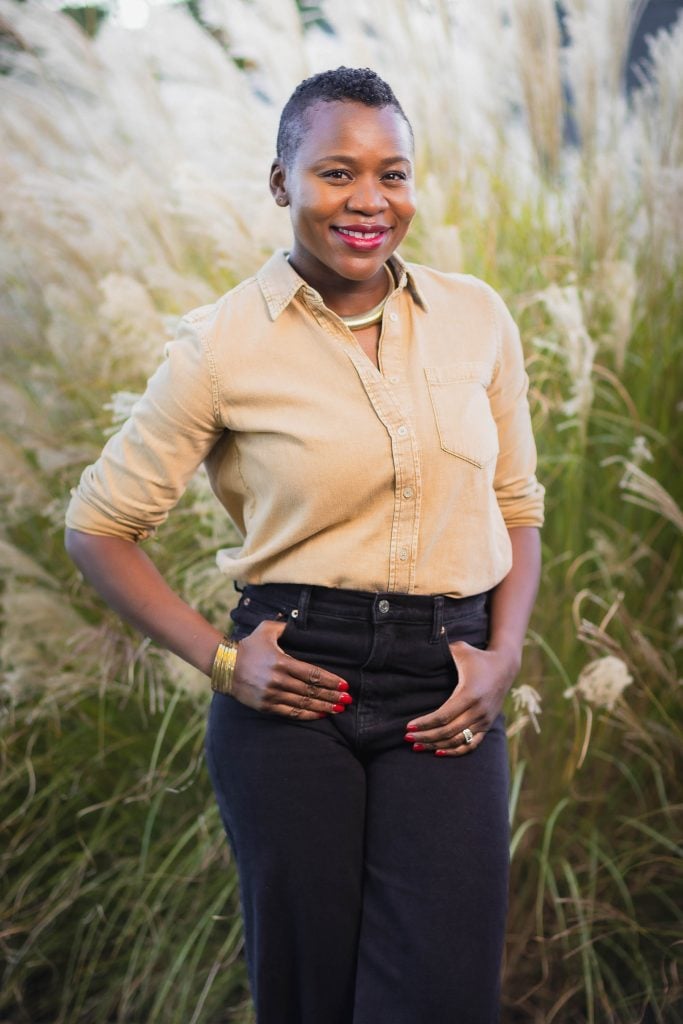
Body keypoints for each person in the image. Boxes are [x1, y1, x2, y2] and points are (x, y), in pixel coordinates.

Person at [65, 66, 544, 1024]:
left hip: (444, 688)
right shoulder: (221, 346)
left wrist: (504, 654)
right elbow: (98, 528)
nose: (368, 201)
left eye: (392, 173)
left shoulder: (475, 317)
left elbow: (516, 502)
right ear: (282, 182)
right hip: (292, 689)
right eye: (335, 172)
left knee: (440, 1001)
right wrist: (221, 659)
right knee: (309, 997)